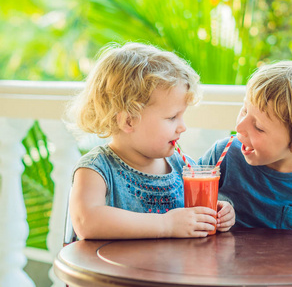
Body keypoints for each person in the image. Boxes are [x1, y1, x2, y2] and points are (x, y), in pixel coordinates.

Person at [68, 42, 235, 240]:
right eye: (172, 117)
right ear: (128, 121)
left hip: (173, 270)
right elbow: (87, 222)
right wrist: (166, 224)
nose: (182, 127)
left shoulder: (182, 165)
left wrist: (219, 211)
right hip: (117, 270)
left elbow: (192, 214)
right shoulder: (96, 169)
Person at [199, 61, 292, 232]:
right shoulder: (223, 155)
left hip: (283, 258)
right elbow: (189, 193)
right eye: (244, 110)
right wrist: (218, 206)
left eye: (258, 127)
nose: (239, 127)